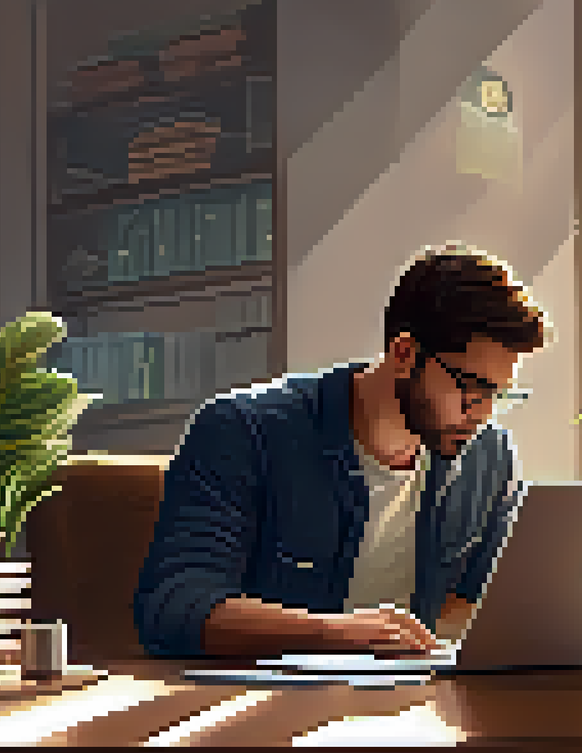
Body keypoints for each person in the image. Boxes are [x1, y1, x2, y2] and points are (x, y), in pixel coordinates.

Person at [134, 244, 549, 659]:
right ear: (405, 354)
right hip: (269, 707)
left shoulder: (489, 459)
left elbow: (477, 602)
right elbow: (174, 609)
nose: (482, 413)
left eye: (499, 393)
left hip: (416, 709)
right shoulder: (244, 430)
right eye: (471, 387)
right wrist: (336, 634)